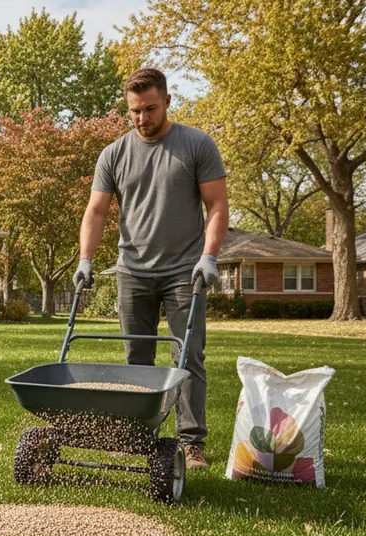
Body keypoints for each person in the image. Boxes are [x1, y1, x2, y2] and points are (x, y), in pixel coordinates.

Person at [76, 67, 229, 469]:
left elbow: (217, 205)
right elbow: (96, 210)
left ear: (167, 102)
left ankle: (191, 442)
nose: (142, 118)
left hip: (185, 271)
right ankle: (136, 436)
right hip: (133, 271)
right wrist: (86, 259)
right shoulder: (114, 153)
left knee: (188, 357)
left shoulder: (196, 145)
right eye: (134, 111)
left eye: (150, 108)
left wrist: (209, 256)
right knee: (136, 359)